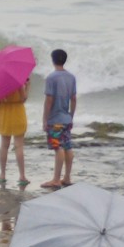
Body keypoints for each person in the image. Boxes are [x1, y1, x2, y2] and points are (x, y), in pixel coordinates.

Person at [42, 49, 77, 189]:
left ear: (53, 60)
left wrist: (45, 119)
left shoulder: (51, 78)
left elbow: (49, 100)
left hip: (55, 120)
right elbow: (73, 99)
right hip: (66, 118)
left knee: (58, 147)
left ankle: (56, 179)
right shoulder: (71, 77)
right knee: (67, 146)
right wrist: (71, 116)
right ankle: (67, 177)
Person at [0, 80, 30, 187]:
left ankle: (3, 175)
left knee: (4, 145)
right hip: (17, 112)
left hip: (4, 112)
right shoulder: (17, 80)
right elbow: (23, 98)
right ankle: (22, 176)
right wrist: (27, 86)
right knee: (19, 145)